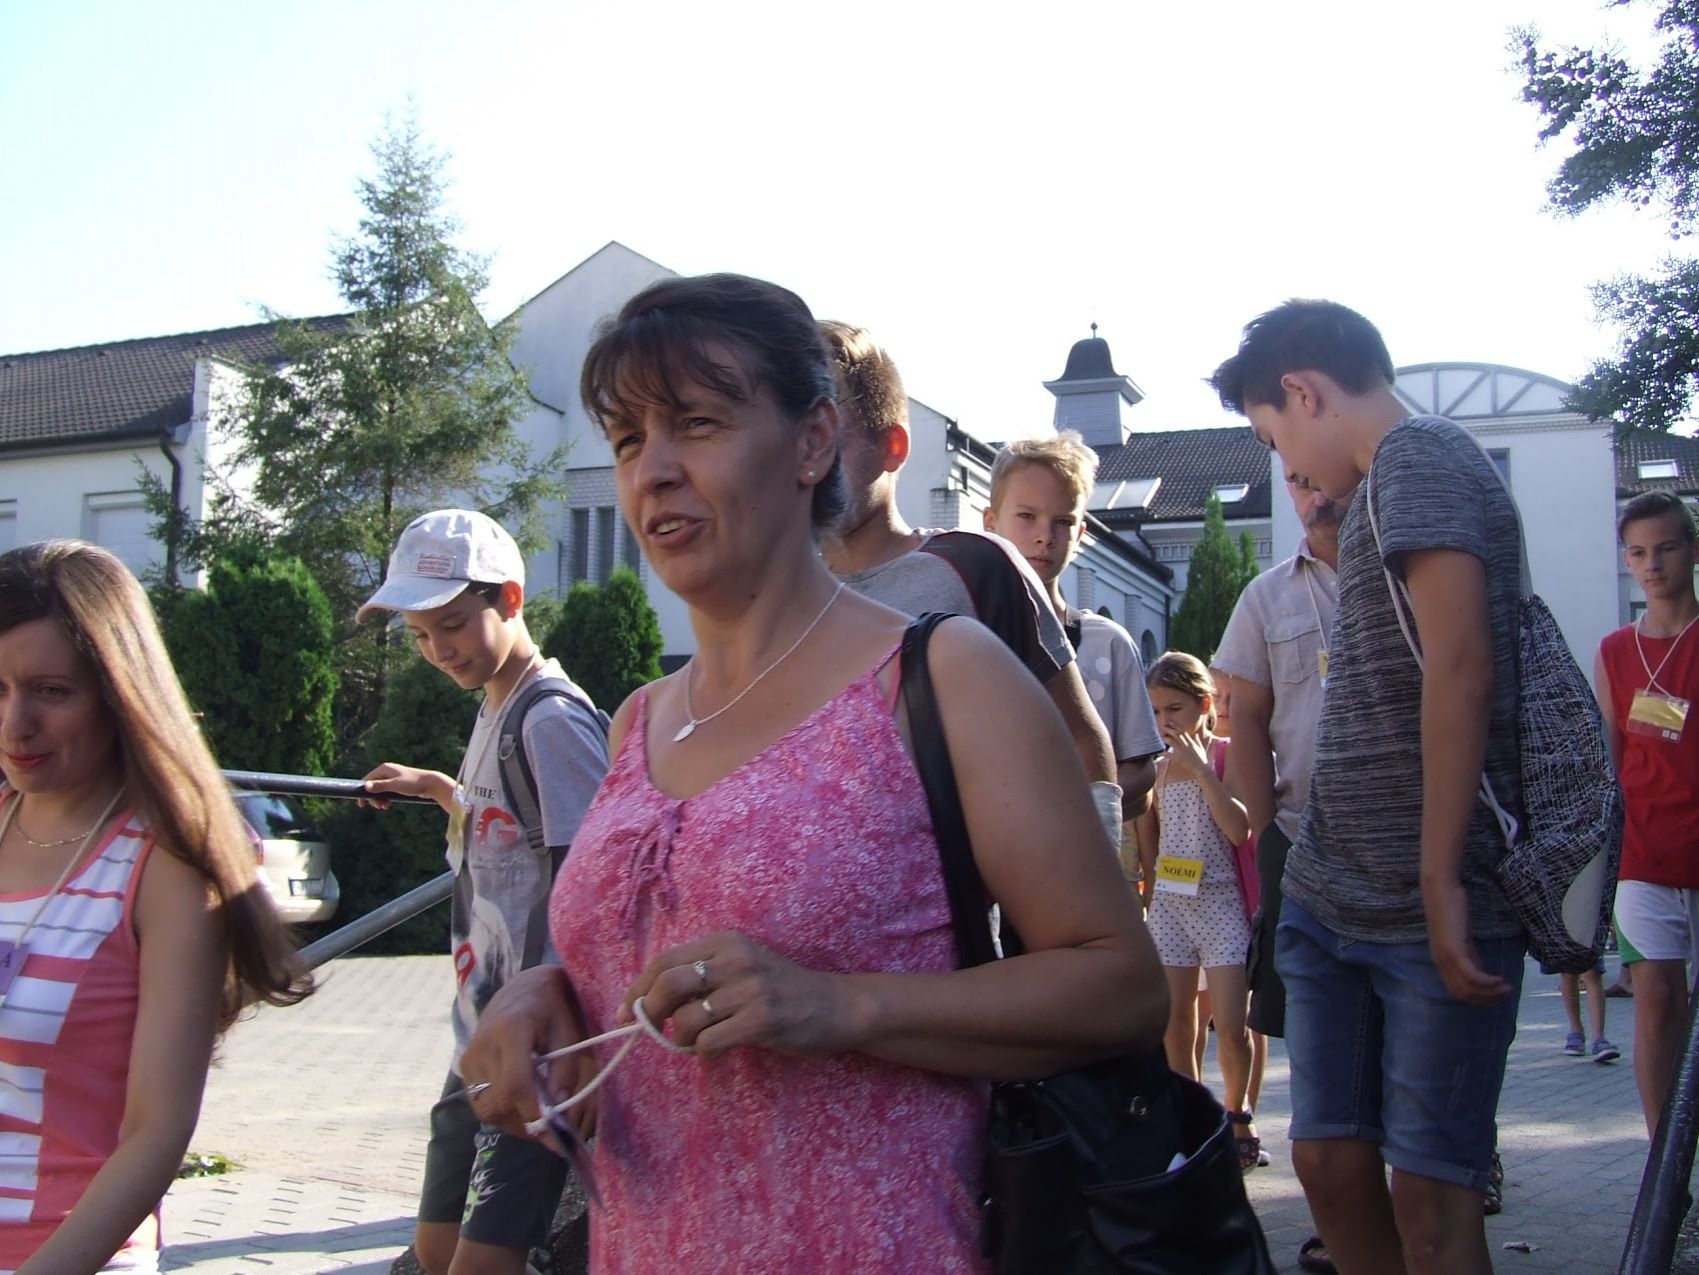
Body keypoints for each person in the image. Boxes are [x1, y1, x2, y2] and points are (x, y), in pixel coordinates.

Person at [459, 274, 1168, 1274]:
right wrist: (548, 992)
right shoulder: (634, 724)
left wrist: (841, 1006)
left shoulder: (940, 677)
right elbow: (642, 975)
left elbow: (1122, 988)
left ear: (812, 442)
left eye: (697, 423)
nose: (652, 470)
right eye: (626, 439)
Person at [1212, 300, 1527, 1275]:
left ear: (1302, 392)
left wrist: (1439, 879)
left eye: (1275, 439)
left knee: (1431, 1196)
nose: (1292, 470)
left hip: (1426, 899)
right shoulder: (1376, 489)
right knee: (1325, 1159)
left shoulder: (1421, 455)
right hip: (1328, 893)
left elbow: (1460, 667)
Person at [0, 540, 310, 1271]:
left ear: (120, 694)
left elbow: (156, 1133)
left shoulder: (165, 866)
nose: (16, 724)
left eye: (51, 691)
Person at [357, 510, 610, 1275]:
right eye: (419, 635)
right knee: (435, 1247)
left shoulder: (549, 719)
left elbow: (595, 875)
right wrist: (439, 787)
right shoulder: (496, 704)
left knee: (483, 1259)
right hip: (479, 1030)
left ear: (509, 597)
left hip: (535, 1047)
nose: (438, 649)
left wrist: (564, 1027)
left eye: (452, 625)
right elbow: (507, 826)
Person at [817, 322, 1136, 842]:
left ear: (892, 445)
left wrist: (1095, 877)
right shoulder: (774, 600)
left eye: (831, 440)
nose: (809, 464)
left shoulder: (976, 565)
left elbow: (1079, 737)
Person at [980, 432, 1164, 817]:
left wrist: (1080, 807)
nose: (1045, 537)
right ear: (991, 522)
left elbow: (1141, 770)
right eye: (1027, 516)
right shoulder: (961, 636)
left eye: (1063, 521)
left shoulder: (1109, 643)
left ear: (1080, 534)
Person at [1595, 490, 1699, 1137]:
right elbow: (1610, 759)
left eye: (1664, 549)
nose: (1651, 565)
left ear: (1691, 549)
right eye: (1637, 553)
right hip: (1642, 856)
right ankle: (1665, 1159)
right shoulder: (1614, 651)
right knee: (1656, 999)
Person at [1134, 652, 1258, 1169]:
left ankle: (1238, 1113)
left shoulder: (1227, 756)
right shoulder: (1156, 770)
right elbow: (1150, 845)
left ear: (1205, 704)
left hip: (1221, 904)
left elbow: (1239, 828)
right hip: (1170, 907)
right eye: (1156, 711)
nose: (1165, 721)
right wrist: (1149, 897)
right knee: (1176, 1026)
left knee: (1231, 1025)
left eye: (1175, 708)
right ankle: (1193, 1121)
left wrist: (1202, 770)